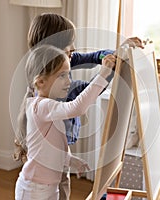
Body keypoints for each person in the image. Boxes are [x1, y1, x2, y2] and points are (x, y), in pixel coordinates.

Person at [14, 13, 144, 200]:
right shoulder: (49, 92)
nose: (73, 49)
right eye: (69, 44)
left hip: (57, 150)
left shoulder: (60, 62)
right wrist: (106, 72)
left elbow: (93, 57)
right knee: (59, 188)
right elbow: (82, 97)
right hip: (44, 167)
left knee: (60, 186)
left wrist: (117, 54)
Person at [14, 44, 116, 200]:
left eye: (68, 75)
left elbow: (49, 147)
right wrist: (103, 74)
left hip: (49, 187)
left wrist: (71, 161)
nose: (68, 81)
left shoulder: (51, 108)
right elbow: (77, 107)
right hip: (33, 189)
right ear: (41, 82)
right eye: (62, 76)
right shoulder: (40, 106)